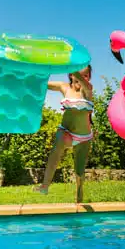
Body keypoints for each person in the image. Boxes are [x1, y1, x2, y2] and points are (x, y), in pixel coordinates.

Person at [33, 65, 94, 202]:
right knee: (57, 146)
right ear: (71, 76)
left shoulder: (87, 90)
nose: (83, 78)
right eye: (80, 75)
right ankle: (45, 186)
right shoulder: (64, 87)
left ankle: (79, 190)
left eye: (86, 76)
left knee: (79, 171)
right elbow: (44, 84)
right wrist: (33, 75)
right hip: (66, 132)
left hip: (84, 137)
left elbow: (86, 85)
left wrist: (73, 68)